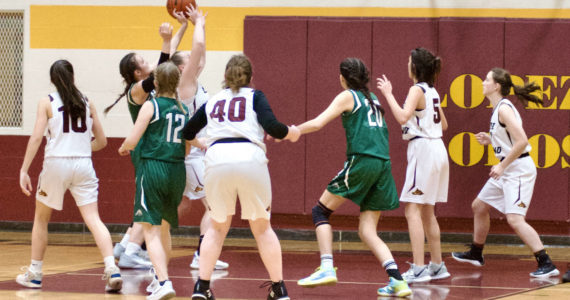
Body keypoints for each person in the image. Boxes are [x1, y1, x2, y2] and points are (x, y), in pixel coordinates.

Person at [182, 54, 299, 300]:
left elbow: (188, 131)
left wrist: (200, 142)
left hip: (217, 158)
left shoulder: (213, 100)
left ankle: (201, 287)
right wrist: (292, 132)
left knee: (216, 227)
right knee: (262, 228)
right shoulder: (255, 97)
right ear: (250, 77)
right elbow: (274, 127)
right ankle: (278, 289)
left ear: (225, 77)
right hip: (249, 157)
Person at [295, 57, 411, 298]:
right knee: (368, 230)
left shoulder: (348, 96)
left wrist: (293, 130)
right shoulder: (374, 99)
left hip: (363, 161)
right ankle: (398, 281)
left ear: (343, 78)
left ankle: (326, 266)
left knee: (320, 212)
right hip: (383, 165)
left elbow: (318, 123)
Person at [16, 59, 122, 292]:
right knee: (94, 219)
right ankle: (111, 268)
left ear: (53, 79)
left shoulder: (47, 101)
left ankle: (35, 273)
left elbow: (36, 137)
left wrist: (24, 169)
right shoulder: (87, 101)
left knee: (41, 218)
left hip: (56, 164)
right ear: (73, 77)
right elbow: (102, 142)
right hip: (84, 164)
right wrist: (82, 149)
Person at [451, 67, 559, 279]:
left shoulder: (504, 109)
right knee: (479, 206)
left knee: (515, 219)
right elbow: (509, 139)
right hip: (509, 167)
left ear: (496, 86)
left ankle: (546, 262)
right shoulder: (498, 108)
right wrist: (491, 140)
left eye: (486, 79)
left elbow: (522, 141)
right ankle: (476, 252)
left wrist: (501, 166)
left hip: (518, 169)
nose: (482, 82)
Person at [105, 9, 192, 270]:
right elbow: (160, 71)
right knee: (150, 205)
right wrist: (165, 41)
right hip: (148, 151)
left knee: (150, 203)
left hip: (156, 150)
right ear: (135, 72)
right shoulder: (137, 91)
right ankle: (131, 250)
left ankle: (125, 245)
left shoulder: (152, 84)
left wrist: (183, 27)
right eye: (143, 60)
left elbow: (165, 62)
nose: (148, 61)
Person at [376, 47, 450, 283]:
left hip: (424, 150)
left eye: (409, 62)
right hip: (438, 147)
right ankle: (437, 265)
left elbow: (401, 116)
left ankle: (418, 268)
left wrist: (388, 94)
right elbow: (444, 124)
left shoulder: (416, 89)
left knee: (412, 210)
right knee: (427, 210)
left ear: (415, 67)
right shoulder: (433, 91)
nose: (407, 64)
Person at [118, 61, 189, 300]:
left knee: (150, 230)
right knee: (165, 229)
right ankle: (161, 278)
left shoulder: (151, 106)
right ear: (177, 83)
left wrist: (124, 147)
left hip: (153, 168)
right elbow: (187, 147)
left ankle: (163, 281)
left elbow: (133, 138)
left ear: (155, 83)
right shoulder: (184, 109)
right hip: (177, 170)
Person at [170, 26, 229, 272]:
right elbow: (197, 51)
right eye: (190, 60)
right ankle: (202, 255)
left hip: (194, 154)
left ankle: (135, 242)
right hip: (192, 155)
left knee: (181, 205)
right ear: (183, 68)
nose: (198, 62)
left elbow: (196, 53)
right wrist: (199, 23)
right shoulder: (185, 85)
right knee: (214, 208)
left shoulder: (188, 80)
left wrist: (184, 26)